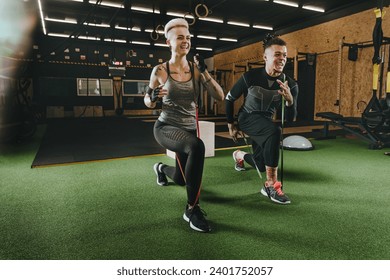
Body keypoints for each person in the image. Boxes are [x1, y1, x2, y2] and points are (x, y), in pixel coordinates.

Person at [144, 18, 224, 233]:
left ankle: (161, 169)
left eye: (188, 37)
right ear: (168, 43)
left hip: (187, 129)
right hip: (166, 127)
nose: (185, 41)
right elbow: (148, 101)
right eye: (180, 38)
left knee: (181, 178)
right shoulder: (160, 70)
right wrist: (152, 97)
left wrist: (205, 71)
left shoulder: (196, 70)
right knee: (197, 146)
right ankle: (192, 209)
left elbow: (220, 96)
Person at [225, 34, 298, 205]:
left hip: (265, 122)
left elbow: (292, 118)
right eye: (277, 54)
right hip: (247, 118)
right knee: (274, 132)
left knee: (260, 163)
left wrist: (289, 100)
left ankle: (239, 156)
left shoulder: (290, 84)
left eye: (285, 55)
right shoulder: (250, 77)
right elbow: (229, 99)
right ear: (265, 57)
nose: (282, 59)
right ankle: (271, 185)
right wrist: (231, 125)